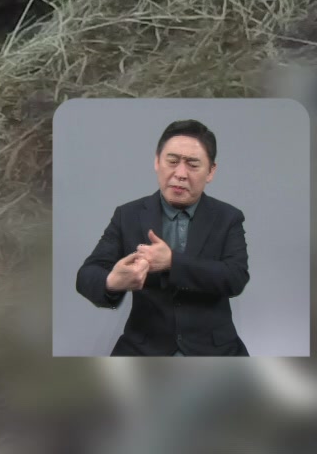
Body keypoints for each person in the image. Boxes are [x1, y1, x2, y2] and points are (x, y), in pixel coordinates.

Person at [73, 118, 251, 355]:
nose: (180, 174)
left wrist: (172, 263)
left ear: (211, 171)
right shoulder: (128, 215)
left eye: (192, 164)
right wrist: (112, 283)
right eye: (172, 161)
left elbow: (235, 277)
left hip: (214, 350)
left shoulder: (228, 217)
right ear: (157, 161)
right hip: (144, 348)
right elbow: (87, 274)